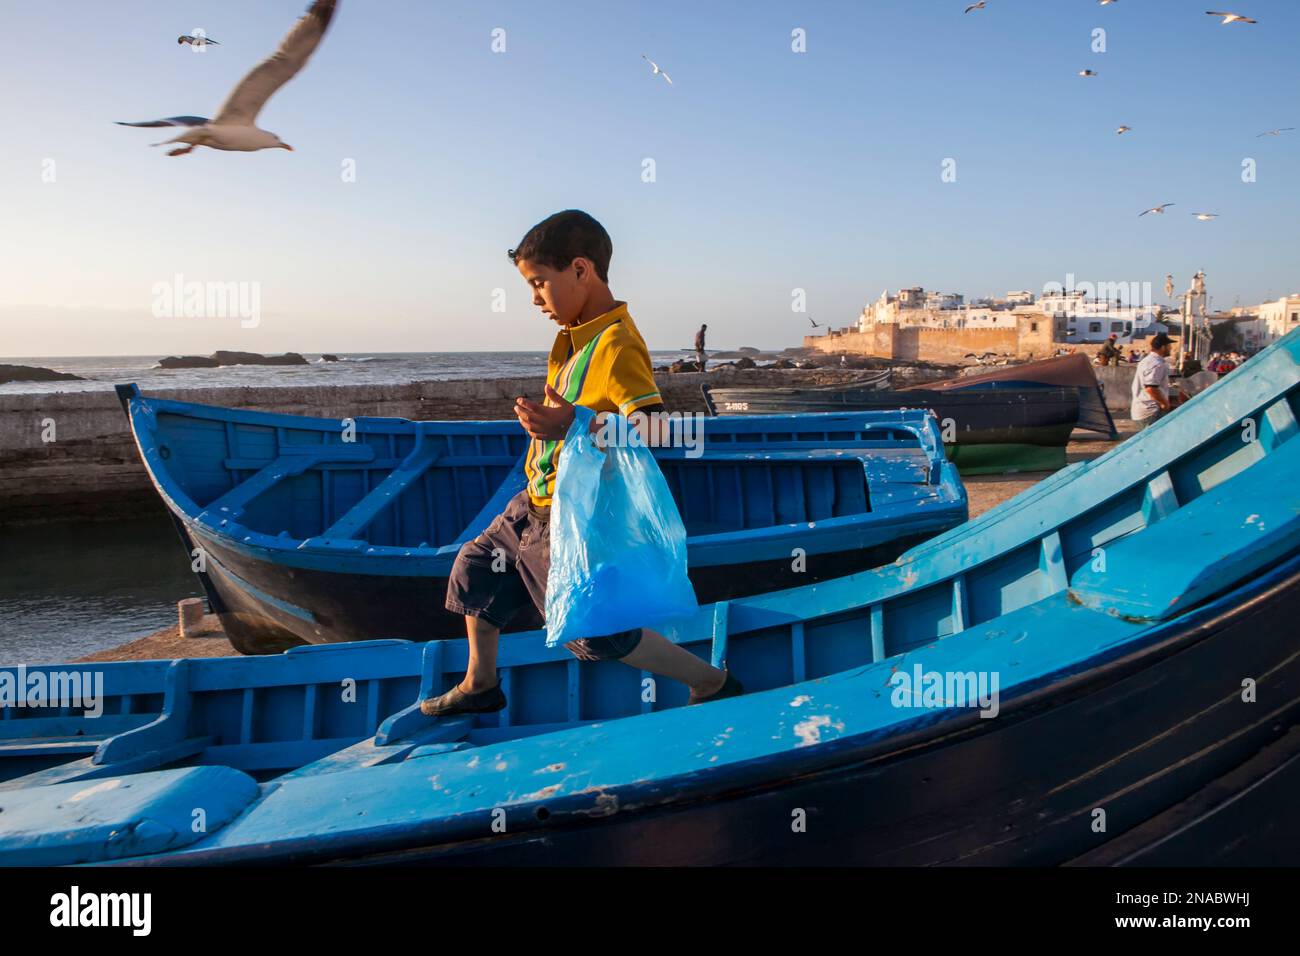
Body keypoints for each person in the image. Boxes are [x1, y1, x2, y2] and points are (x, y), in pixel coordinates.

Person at [421, 210, 742, 717]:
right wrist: (553, 421)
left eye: (539, 282)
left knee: (594, 634)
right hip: (533, 503)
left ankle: (710, 681)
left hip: (569, 519)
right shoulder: (577, 337)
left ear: (580, 269)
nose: (534, 298)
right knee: (474, 569)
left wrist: (573, 424)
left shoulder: (616, 345)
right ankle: (480, 683)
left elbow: (654, 430)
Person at [1130, 332, 1181, 431]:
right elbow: (1150, 388)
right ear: (1163, 347)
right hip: (1151, 412)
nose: (1170, 348)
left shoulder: (1148, 360)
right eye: (1169, 346)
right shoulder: (1156, 364)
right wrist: (1165, 403)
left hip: (1143, 410)